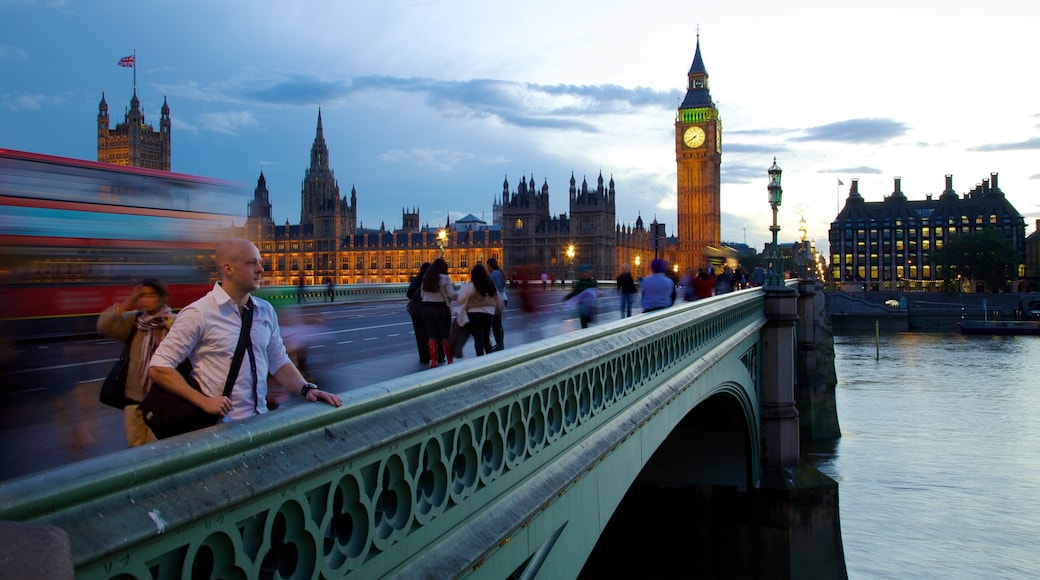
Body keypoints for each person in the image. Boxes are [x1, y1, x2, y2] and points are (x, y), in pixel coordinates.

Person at [149, 239, 341, 424]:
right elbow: (159, 367)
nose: (261, 269)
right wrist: (203, 401)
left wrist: (306, 389)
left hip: (260, 421)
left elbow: (279, 361)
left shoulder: (265, 311)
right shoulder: (198, 313)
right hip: (220, 426)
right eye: (251, 263)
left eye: (260, 263)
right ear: (228, 269)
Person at [97, 278, 174, 447]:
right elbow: (104, 324)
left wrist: (172, 330)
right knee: (135, 447)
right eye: (142, 296)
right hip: (133, 396)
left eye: (150, 295)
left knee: (158, 447)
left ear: (162, 298)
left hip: (161, 397)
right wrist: (129, 301)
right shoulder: (135, 322)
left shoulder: (173, 321)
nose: (144, 300)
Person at [457, 264, 505, 356]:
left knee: (478, 339)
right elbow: (498, 299)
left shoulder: (471, 285)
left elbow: (460, 298)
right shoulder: (490, 284)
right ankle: (489, 358)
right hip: (488, 313)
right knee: (486, 337)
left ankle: (480, 358)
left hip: (474, 314)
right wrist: (499, 310)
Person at [420, 257, 457, 368]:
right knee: (445, 335)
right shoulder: (445, 278)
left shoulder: (426, 277)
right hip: (441, 308)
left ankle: (434, 361)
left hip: (426, 308)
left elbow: (422, 295)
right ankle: (449, 360)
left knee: (432, 335)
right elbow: (451, 294)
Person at [406, 262, 435, 365]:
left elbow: (409, 294)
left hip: (416, 311)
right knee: (431, 334)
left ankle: (424, 358)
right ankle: (434, 355)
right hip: (428, 310)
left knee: (420, 336)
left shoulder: (417, 280)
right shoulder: (433, 280)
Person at [486, 258, 507, 351]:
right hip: (502, 298)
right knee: (496, 323)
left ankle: (500, 343)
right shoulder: (499, 272)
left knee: (496, 323)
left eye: (488, 266)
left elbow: (495, 288)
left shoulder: (495, 274)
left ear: (490, 265)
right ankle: (499, 343)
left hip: (497, 299)